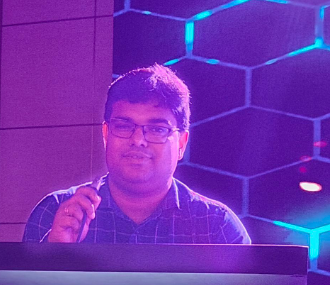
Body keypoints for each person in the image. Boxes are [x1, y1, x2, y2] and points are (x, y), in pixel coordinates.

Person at [23, 64, 251, 244]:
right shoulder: (56, 213)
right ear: (106, 134)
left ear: (182, 143)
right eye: (124, 126)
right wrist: (55, 251)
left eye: (157, 129)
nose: (138, 140)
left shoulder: (217, 227)